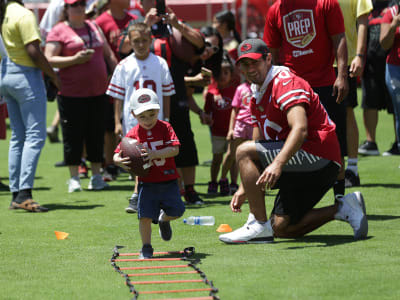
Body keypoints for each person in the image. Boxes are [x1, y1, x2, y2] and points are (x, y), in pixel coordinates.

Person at [219, 39, 368, 244]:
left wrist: (277, 164)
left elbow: (300, 128)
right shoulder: (256, 93)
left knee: (242, 151)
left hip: (319, 156)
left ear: (268, 59)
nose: (250, 69)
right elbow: (259, 141)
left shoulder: (284, 81)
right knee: (282, 227)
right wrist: (247, 187)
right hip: (302, 161)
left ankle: (258, 225)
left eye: (255, 62)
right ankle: (343, 208)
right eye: (245, 64)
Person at [263, 0, 349, 200]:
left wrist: (342, 75)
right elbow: (272, 54)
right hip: (291, 89)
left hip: (325, 85)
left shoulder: (326, 3)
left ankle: (341, 199)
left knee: (335, 143)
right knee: (290, 140)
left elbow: (340, 39)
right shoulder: (275, 10)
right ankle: (293, 195)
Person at [44, 0, 118, 193]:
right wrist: (75, 59)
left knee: (96, 133)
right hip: (71, 94)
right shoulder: (59, 30)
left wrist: (116, 74)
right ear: (66, 9)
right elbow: (49, 58)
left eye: (81, 3)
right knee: (73, 136)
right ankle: (74, 178)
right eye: (73, 4)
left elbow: (108, 54)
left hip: (98, 92)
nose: (78, 7)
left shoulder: (93, 26)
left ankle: (96, 176)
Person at [107, 22, 175, 212]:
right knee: (138, 157)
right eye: (136, 41)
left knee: (157, 158)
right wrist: (117, 121)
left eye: (145, 40)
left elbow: (167, 92)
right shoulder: (124, 65)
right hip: (133, 121)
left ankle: (153, 196)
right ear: (130, 41)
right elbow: (118, 96)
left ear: (151, 40)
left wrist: (167, 117)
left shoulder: (159, 63)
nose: (141, 44)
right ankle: (139, 195)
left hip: (156, 119)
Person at [0, 0, 60, 212]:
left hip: (6, 74)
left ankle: (17, 193)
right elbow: (33, 51)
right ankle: (24, 193)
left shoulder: (6, 12)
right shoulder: (23, 14)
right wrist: (53, 75)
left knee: (18, 136)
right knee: (35, 136)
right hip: (25, 76)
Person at [113, 88, 184, 259]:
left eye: (151, 114)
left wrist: (154, 154)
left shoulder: (165, 127)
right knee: (144, 217)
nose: (148, 120)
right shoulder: (133, 134)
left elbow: (174, 149)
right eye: (142, 116)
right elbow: (117, 153)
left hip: (168, 179)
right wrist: (117, 160)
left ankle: (164, 219)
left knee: (178, 211)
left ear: (158, 110)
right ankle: (146, 247)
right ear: (133, 115)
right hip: (147, 182)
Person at [95, 0, 137, 182]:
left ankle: (134, 161)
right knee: (109, 126)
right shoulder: (101, 22)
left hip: (133, 78)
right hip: (109, 79)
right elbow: (98, 51)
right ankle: (110, 164)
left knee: (133, 120)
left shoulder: (134, 20)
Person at [336, 0, 373, 188]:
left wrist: (359, 55)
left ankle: (352, 169)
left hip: (346, 60)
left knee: (348, 112)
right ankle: (327, 168)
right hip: (318, 63)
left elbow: (363, 20)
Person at [359, 0, 398, 156]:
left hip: (392, 63)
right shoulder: (366, 6)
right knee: (369, 102)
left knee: (396, 105)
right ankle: (371, 142)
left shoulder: (394, 5)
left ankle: (398, 142)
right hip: (370, 63)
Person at [204, 52, 236, 196]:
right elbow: (207, 111)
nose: (223, 75)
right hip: (217, 132)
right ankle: (213, 182)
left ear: (231, 74)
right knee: (217, 159)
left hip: (233, 132)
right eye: (220, 73)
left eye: (226, 72)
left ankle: (233, 183)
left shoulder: (236, 91)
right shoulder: (212, 93)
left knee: (233, 159)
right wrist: (206, 118)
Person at [218, 80, 253, 196]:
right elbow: (234, 110)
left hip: (254, 125)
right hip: (241, 124)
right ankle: (223, 179)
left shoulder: (261, 87)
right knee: (231, 154)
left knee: (249, 157)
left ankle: (244, 184)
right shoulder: (241, 88)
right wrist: (231, 129)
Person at [380, 2, 400, 159]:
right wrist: (394, 25)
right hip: (395, 69)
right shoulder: (391, 13)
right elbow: (384, 43)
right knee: (399, 113)